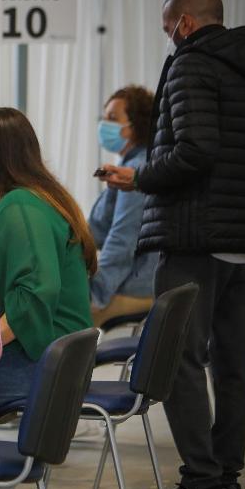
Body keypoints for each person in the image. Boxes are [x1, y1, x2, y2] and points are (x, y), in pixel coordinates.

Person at [100, 0, 245, 489]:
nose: (167, 39)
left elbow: (195, 150)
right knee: (232, 365)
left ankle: (203, 484)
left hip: (194, 237)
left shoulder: (190, 66)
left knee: (179, 358)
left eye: (166, 29)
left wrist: (140, 178)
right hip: (244, 242)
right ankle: (225, 480)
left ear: (183, 23)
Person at [0, 107, 96, 413]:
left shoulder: (21, 206)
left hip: (43, 364)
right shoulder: (29, 199)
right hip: (57, 358)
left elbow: (36, 292)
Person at [89, 86, 159, 327]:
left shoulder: (139, 168)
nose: (104, 125)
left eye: (112, 118)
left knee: (67, 321)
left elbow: (122, 239)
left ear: (135, 126)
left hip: (136, 286)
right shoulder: (129, 165)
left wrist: (95, 294)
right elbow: (96, 233)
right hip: (137, 280)